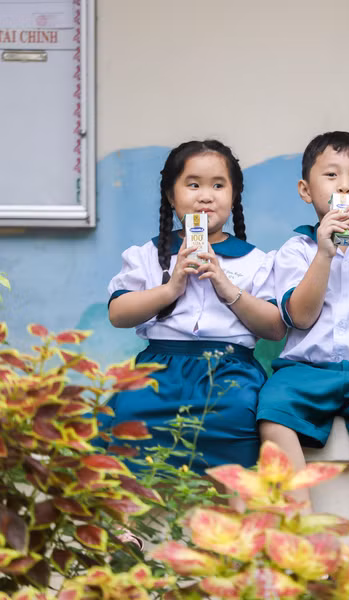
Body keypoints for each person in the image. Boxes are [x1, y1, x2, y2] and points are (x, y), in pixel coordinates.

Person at [257, 131, 349, 529]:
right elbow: (300, 316)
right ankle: (302, 528)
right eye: (331, 175)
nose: (344, 185)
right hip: (306, 369)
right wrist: (324, 252)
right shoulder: (296, 249)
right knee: (273, 411)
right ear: (306, 190)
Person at [106, 139, 284, 473]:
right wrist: (171, 287)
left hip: (231, 369)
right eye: (193, 185)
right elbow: (118, 313)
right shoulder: (147, 254)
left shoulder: (256, 261)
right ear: (172, 196)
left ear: (233, 197)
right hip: (159, 368)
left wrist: (225, 285)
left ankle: (233, 513)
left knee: (239, 410)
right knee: (128, 409)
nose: (206, 195)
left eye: (218, 185)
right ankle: (129, 520)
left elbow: (274, 328)